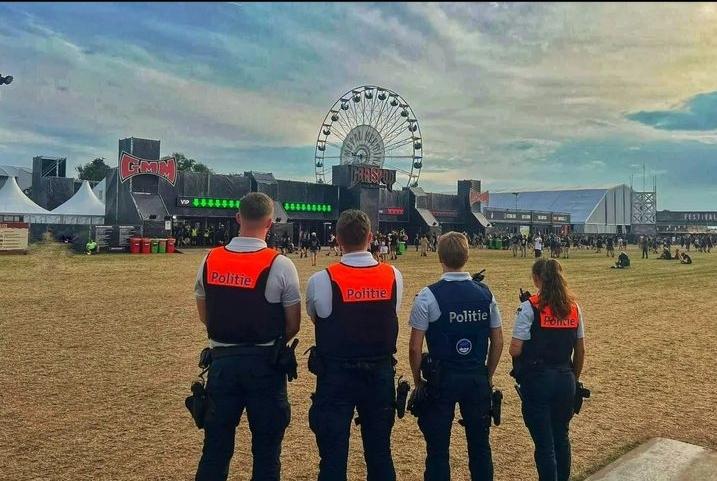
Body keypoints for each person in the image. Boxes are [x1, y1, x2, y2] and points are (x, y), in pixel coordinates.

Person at [193, 192, 301, 481]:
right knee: (267, 452)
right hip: (265, 365)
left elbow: (205, 315)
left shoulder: (210, 259)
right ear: (270, 222)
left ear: (238, 218)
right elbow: (293, 324)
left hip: (222, 364)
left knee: (215, 450)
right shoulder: (280, 264)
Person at [306, 209, 404, 481]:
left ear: (337, 239)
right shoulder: (393, 275)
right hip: (380, 374)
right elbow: (391, 311)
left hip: (335, 375)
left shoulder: (321, 280)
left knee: (333, 457)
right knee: (380, 453)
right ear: (371, 237)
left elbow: (316, 318)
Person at [408, 232, 503, 481]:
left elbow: (415, 348)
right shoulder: (486, 294)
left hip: (442, 380)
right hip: (476, 377)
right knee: (480, 447)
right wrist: (487, 374)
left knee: (438, 450)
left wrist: (418, 380)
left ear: (440, 257)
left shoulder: (428, 295)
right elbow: (498, 340)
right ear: (466, 257)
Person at [509, 259, 586, 481]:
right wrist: (573, 378)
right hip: (565, 378)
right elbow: (580, 350)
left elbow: (515, 349)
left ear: (536, 279)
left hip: (538, 380)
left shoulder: (529, 307)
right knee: (561, 437)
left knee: (544, 444)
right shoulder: (574, 307)